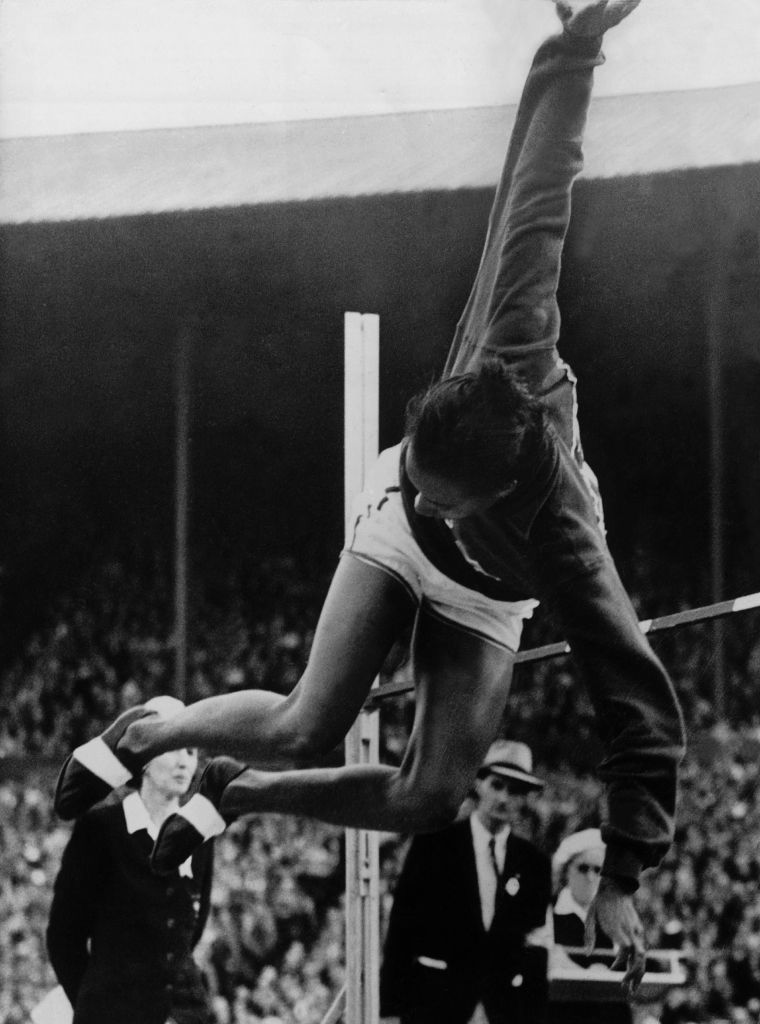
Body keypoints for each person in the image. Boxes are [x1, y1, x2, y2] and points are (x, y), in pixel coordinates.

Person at [54, 0, 685, 993]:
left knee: (432, 795)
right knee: (312, 715)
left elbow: (637, 706)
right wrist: (575, 49)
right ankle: (154, 731)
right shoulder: (501, 348)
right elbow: (537, 196)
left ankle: (241, 791)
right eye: (423, 479)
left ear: (490, 489)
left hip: (492, 588)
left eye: (444, 495)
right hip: (394, 537)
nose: (429, 499)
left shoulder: (568, 548)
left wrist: (625, 865)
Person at [47, 696, 216, 1024]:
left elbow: (189, 933)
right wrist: (99, 1006)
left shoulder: (201, 831)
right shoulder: (101, 828)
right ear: (145, 759)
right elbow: (63, 939)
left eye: (192, 751)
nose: (185, 762)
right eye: (174, 749)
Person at [379, 739, 553, 1024]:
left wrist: (534, 1015)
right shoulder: (435, 844)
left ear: (525, 798)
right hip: (436, 1002)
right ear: (478, 784)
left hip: (502, 1008)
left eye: (515, 791)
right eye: (497, 785)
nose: (504, 799)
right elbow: (402, 924)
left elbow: (535, 947)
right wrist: (390, 1009)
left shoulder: (534, 864)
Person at [550, 828, 633, 1023]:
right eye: (583, 868)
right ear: (566, 870)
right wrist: (589, 977)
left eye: (598, 870)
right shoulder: (548, 915)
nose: (590, 877)